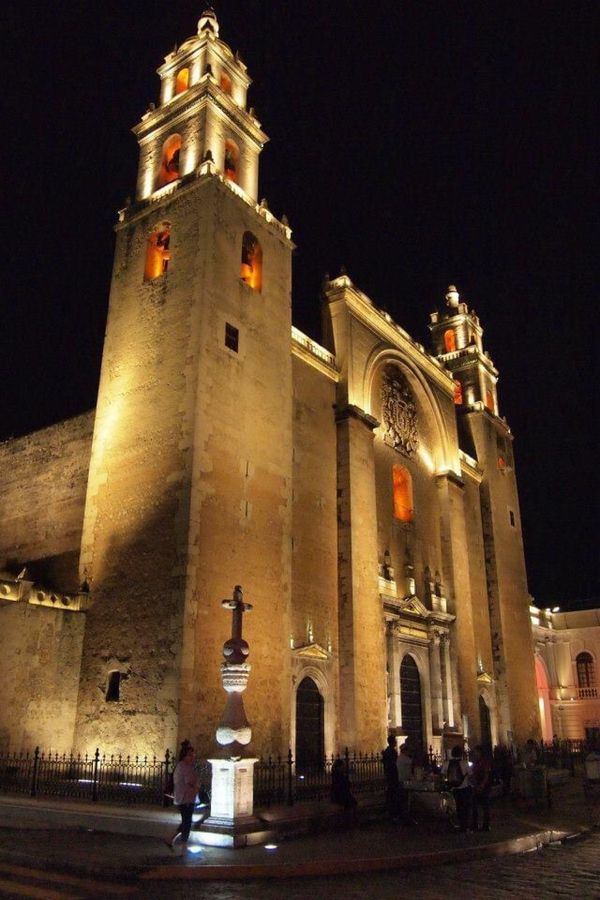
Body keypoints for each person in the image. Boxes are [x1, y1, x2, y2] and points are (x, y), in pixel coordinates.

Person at [166, 739, 200, 850]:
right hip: (185, 799)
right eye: (190, 755)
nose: (192, 757)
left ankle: (171, 839)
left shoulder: (182, 766)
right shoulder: (184, 767)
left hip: (185, 798)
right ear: (184, 756)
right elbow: (190, 781)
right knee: (187, 823)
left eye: (193, 755)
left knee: (186, 821)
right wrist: (197, 786)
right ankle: (183, 847)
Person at [442, 745, 472, 832]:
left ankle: (459, 824)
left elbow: (442, 773)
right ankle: (465, 825)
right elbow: (470, 774)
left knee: (458, 807)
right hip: (464, 787)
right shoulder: (464, 763)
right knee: (465, 807)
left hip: (454, 788)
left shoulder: (447, 763)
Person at [470, 745, 491, 831]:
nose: (474, 754)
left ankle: (485, 825)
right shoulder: (475, 763)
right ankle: (475, 824)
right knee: (474, 806)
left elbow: (486, 775)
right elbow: (472, 774)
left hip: (484, 786)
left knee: (485, 806)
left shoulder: (484, 762)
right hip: (476, 785)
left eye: (476, 752)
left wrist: (482, 785)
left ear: (480, 752)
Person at [396, 742, 415, 825]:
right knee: (405, 800)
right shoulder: (405, 759)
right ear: (405, 751)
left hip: (401, 780)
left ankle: (404, 816)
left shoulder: (399, 758)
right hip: (404, 781)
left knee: (403, 799)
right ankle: (406, 817)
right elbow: (412, 762)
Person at [382, 734, 400, 818]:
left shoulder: (387, 750)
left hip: (389, 773)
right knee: (393, 792)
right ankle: (392, 811)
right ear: (392, 742)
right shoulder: (392, 751)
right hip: (392, 774)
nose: (396, 742)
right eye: (395, 741)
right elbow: (394, 762)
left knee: (390, 791)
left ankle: (389, 810)